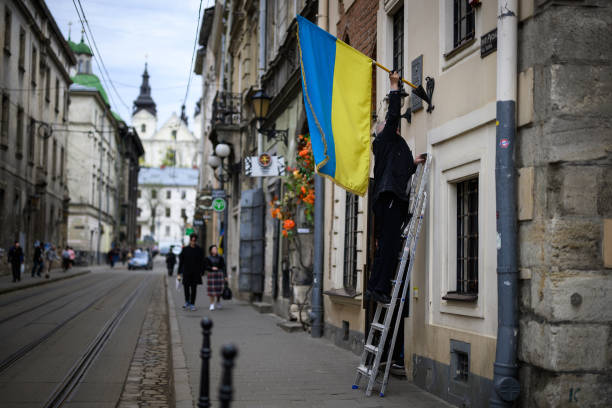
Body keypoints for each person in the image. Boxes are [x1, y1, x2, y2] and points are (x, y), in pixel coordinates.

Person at [365, 71, 426, 372]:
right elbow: (391, 117)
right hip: (389, 198)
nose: (390, 128)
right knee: (388, 246)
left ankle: (378, 286)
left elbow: (401, 170)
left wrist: (414, 164)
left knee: (390, 246)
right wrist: (393, 88)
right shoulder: (387, 138)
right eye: (386, 127)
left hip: (394, 198)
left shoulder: (396, 149)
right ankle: (376, 288)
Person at [178, 233, 204, 311]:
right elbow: (181, 262)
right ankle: (187, 301)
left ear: (196, 241)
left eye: (194, 240)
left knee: (193, 289)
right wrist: (179, 272)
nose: (193, 242)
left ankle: (192, 304)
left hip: (195, 273)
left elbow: (201, 261)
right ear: (190, 240)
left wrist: (201, 271)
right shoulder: (185, 249)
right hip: (186, 272)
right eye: (192, 240)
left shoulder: (199, 250)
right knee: (186, 288)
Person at [204, 245, 227, 311]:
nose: (215, 250)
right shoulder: (208, 258)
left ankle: (218, 302)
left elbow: (223, 267)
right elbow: (205, 266)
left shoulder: (220, 257)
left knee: (219, 290)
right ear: (211, 250)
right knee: (211, 291)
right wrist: (211, 268)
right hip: (211, 275)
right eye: (214, 249)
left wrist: (225, 276)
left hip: (219, 274)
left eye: (216, 249)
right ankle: (211, 304)